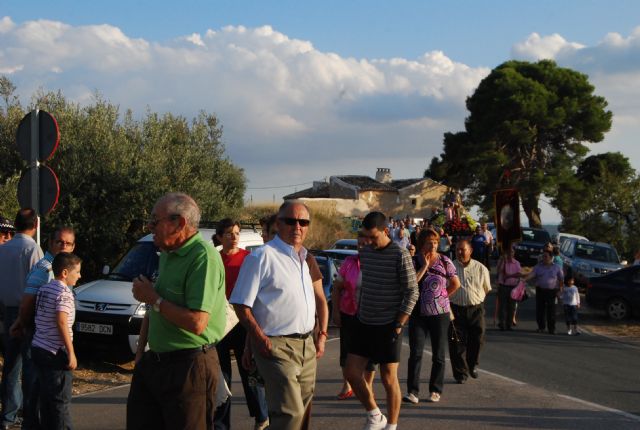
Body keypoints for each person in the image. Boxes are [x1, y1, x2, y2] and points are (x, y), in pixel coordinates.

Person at [127, 192, 226, 429]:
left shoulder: (203, 257)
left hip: (190, 366)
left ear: (179, 223)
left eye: (155, 221)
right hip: (155, 363)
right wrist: (140, 355)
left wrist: (152, 297)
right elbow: (153, 309)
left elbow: (197, 322)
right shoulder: (167, 254)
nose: (150, 227)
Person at [231, 201, 328, 430]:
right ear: (278, 223)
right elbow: (241, 304)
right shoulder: (262, 257)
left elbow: (315, 301)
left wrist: (320, 335)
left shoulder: (304, 258)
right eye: (290, 221)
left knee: (302, 414)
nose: (297, 227)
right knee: (290, 413)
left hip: (306, 345)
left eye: (303, 222)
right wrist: (257, 338)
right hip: (276, 346)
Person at [344, 211, 418, 430]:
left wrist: (399, 323)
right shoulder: (366, 252)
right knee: (351, 372)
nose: (368, 241)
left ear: (386, 231)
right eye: (365, 236)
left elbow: (412, 292)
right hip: (364, 322)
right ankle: (375, 415)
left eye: (373, 237)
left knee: (388, 379)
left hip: (389, 325)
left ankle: (392, 426)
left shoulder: (400, 254)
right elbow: (367, 285)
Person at [9, 226, 76, 429]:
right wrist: (21, 323)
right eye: (59, 242)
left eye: (68, 243)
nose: (64, 246)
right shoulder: (45, 268)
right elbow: (28, 301)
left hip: (47, 340)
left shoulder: (64, 268)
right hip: (45, 340)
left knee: (42, 391)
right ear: (50, 243)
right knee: (44, 392)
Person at [213, 219, 269, 430]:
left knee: (248, 371)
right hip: (219, 322)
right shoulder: (214, 260)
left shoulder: (248, 258)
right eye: (229, 233)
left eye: (237, 232)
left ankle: (261, 417)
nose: (234, 236)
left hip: (243, 321)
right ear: (219, 237)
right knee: (222, 376)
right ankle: (220, 424)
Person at [403, 228, 460, 404]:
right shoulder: (413, 261)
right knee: (416, 353)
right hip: (418, 313)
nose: (434, 245)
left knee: (439, 354)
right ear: (422, 244)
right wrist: (425, 266)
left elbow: (455, 284)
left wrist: (441, 297)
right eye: (430, 242)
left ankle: (435, 389)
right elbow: (410, 284)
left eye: (436, 242)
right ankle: (412, 392)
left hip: (440, 314)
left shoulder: (445, 260)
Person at [0, 208, 44, 430]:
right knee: (29, 365)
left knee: (10, 364)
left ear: (16, 224)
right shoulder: (33, 249)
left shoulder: (4, 249)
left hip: (7, 310)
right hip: (28, 310)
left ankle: (7, 416)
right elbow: (38, 284)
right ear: (35, 225)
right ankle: (29, 415)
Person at [31, 252, 82, 430]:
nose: (80, 276)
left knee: (46, 398)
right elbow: (61, 321)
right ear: (65, 273)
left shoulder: (44, 289)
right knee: (60, 401)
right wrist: (71, 352)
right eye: (77, 272)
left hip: (38, 347)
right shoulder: (64, 293)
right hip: (55, 351)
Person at [332, 231, 376, 401]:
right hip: (349, 312)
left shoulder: (377, 264)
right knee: (347, 351)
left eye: (364, 244)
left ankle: (368, 385)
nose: (361, 248)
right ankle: (347, 384)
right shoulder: (350, 263)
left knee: (370, 352)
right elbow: (336, 288)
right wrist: (335, 312)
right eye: (359, 245)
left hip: (371, 315)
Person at [448, 240, 491, 384]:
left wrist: (474, 298)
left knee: (477, 338)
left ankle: (472, 364)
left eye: (463, 249)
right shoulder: (449, 267)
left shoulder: (480, 268)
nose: (460, 252)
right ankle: (460, 373)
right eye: (458, 249)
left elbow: (486, 288)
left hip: (475, 309)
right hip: (455, 309)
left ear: (470, 250)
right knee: (456, 343)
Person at [524, 250, 564, 334]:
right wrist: (524, 280)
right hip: (540, 290)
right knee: (540, 309)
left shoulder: (557, 267)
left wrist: (560, 290)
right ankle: (541, 327)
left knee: (552, 311)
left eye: (546, 256)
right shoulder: (538, 267)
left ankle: (551, 329)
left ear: (551, 257)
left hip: (552, 292)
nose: (544, 258)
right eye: (543, 256)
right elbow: (532, 274)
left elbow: (561, 279)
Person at [496, 245, 522, 331]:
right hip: (503, 286)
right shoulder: (503, 262)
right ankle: (502, 323)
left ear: (514, 253)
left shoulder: (517, 263)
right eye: (508, 252)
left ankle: (509, 324)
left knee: (512, 307)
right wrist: (503, 260)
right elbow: (499, 271)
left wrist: (510, 276)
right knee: (502, 306)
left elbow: (519, 274)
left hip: (513, 287)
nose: (510, 254)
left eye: (512, 252)